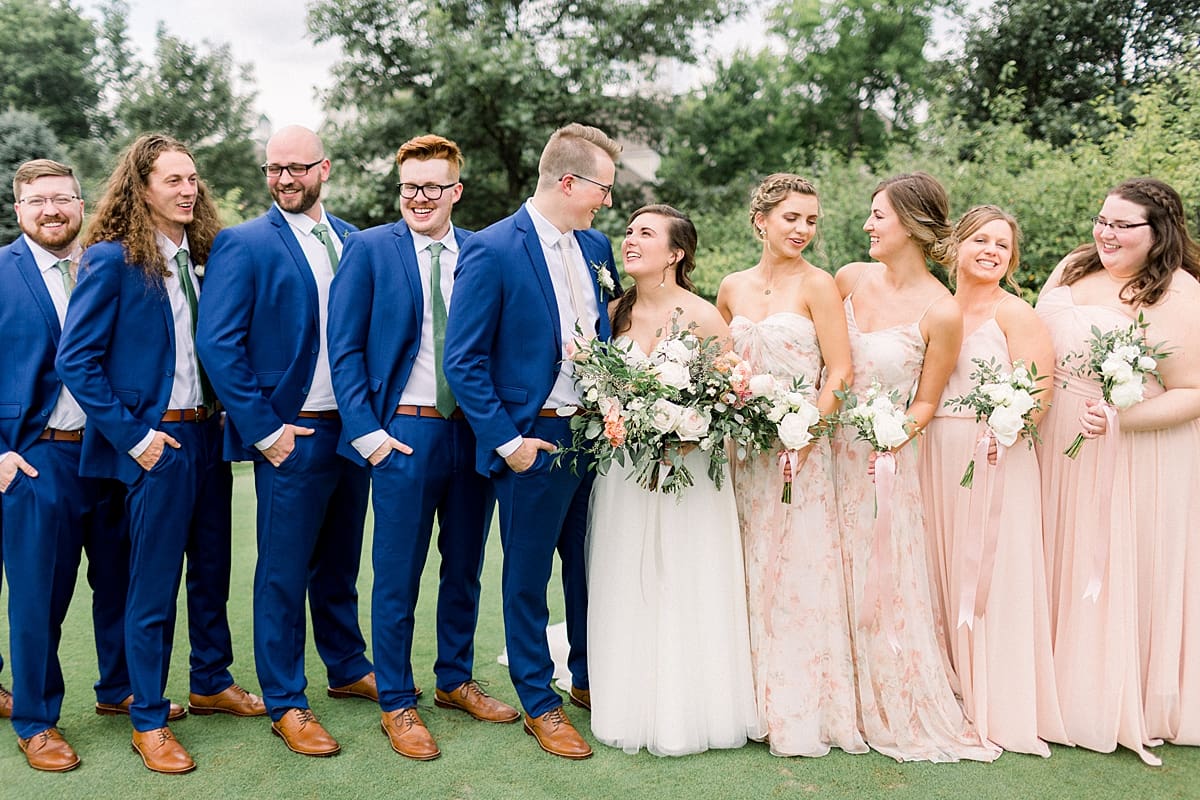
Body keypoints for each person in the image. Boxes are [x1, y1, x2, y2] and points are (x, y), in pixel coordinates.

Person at [56, 134, 259, 774]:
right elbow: (75, 360)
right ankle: (147, 716)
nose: (188, 189)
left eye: (192, 178)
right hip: (157, 443)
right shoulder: (112, 260)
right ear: (140, 188)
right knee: (152, 585)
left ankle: (211, 680)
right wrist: (138, 439)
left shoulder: (199, 259)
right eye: (172, 180)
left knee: (212, 570)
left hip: (208, 435)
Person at [328, 134, 517, 761]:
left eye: (433, 186)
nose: (419, 197)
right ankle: (397, 702)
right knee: (396, 573)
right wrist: (369, 434)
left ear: (456, 191)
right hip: (402, 433)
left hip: (473, 430)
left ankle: (455, 679)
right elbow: (345, 346)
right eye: (410, 186)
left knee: (464, 564)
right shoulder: (369, 249)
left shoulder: (485, 253)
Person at [444, 122, 622, 760]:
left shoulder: (596, 247)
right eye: (602, 186)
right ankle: (538, 701)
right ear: (568, 181)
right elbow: (463, 361)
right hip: (531, 437)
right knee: (526, 575)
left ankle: (586, 679)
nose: (607, 199)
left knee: (586, 564)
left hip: (591, 435)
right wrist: (509, 442)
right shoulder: (492, 249)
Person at [196, 125, 374, 758]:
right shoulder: (241, 244)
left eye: (298, 168)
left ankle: (348, 666)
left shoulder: (355, 239)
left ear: (324, 168)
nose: (285, 180)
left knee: (340, 560)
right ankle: (287, 702)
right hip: (289, 434)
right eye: (275, 169)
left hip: (352, 431)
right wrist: (265, 430)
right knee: (281, 570)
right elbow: (218, 343)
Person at [832, 172, 996, 762]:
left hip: (884, 463)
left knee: (881, 576)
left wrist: (894, 436)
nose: (869, 225)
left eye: (879, 215)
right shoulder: (847, 279)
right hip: (823, 451)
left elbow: (927, 399)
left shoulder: (942, 311)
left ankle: (885, 696)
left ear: (911, 223)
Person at [1036, 177, 1200, 764]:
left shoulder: (1178, 295)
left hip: (1132, 449)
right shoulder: (1075, 268)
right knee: (1058, 554)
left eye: (1122, 225)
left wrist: (1118, 421)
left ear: (1159, 233)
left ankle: (1104, 693)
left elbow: (1193, 392)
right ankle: (1046, 685)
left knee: (1109, 564)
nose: (1105, 233)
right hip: (1057, 442)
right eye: (1102, 220)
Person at [586, 204, 759, 756]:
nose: (630, 240)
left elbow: (732, 398)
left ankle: (691, 706)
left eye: (645, 233)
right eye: (629, 231)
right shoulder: (612, 312)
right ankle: (623, 694)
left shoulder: (703, 316)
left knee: (685, 575)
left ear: (676, 253)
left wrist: (687, 427)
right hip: (624, 472)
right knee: (625, 573)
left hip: (687, 472)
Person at [716, 174, 865, 758]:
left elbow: (841, 372)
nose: (802, 229)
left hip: (798, 453)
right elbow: (723, 367)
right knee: (745, 567)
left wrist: (806, 433)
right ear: (761, 220)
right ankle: (743, 698)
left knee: (798, 574)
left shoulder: (820, 285)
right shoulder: (730, 288)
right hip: (743, 453)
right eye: (791, 218)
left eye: (811, 220)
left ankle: (799, 706)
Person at [917, 205, 1067, 755]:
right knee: (938, 566)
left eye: (1002, 246)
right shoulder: (934, 308)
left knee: (989, 572)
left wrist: (1004, 432)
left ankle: (995, 701)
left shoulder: (1017, 315)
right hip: (933, 454)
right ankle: (945, 691)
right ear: (954, 245)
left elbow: (1040, 395)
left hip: (995, 459)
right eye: (981, 239)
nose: (991, 251)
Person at [0, 159, 132, 771]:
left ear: (81, 203)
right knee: (38, 596)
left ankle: (120, 689)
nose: (51, 210)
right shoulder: (2, 274)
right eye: (38, 201)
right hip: (37, 457)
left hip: (110, 452)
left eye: (62, 198)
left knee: (120, 583)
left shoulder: (111, 265)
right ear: (19, 209)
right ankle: (35, 720)